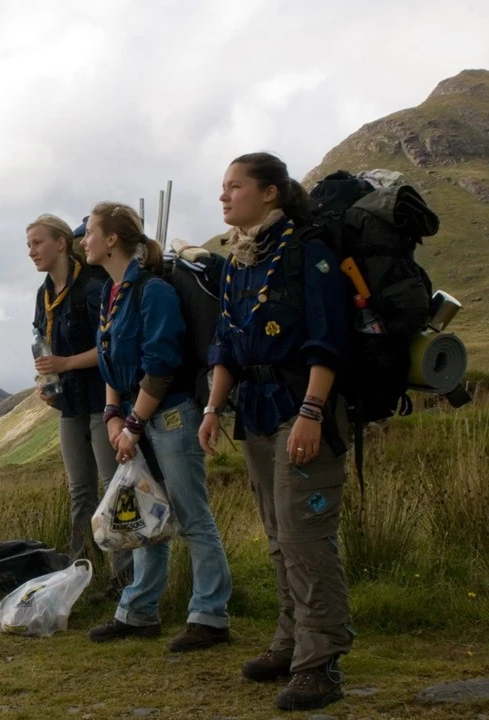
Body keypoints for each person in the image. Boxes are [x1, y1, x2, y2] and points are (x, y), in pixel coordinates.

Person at [199, 152, 351, 712]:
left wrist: (312, 412)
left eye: (234, 186)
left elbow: (328, 338)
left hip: (300, 407)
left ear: (270, 193)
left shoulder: (307, 251)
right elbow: (227, 343)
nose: (223, 196)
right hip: (256, 412)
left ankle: (321, 664)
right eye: (222, 187)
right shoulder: (239, 260)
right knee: (277, 536)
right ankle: (289, 644)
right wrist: (214, 409)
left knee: (306, 540)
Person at [80, 201, 233, 652]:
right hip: (135, 418)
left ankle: (210, 615)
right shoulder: (112, 295)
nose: (83, 240)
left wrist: (132, 424)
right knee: (145, 513)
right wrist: (113, 418)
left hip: (169, 416)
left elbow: (161, 365)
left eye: (90, 231)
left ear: (111, 239)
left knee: (190, 516)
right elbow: (111, 363)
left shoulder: (154, 292)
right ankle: (139, 611)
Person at [27, 213, 132, 594]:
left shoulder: (91, 284)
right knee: (80, 492)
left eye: (38, 243)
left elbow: (110, 345)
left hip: (102, 401)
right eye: (29, 245)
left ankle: (124, 578)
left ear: (60, 243)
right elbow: (44, 339)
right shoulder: (43, 292)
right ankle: (78, 576)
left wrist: (65, 364)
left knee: (111, 486)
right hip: (68, 404)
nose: (32, 252)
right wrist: (46, 380)